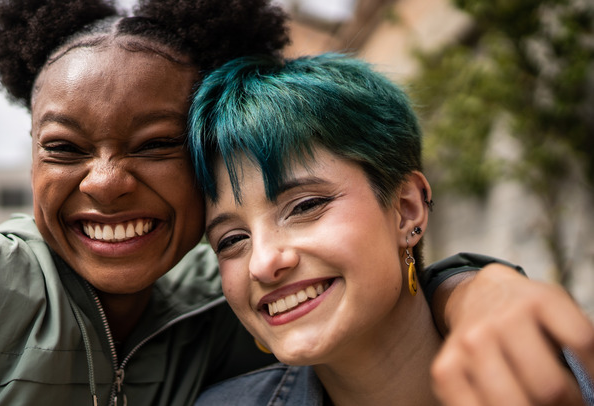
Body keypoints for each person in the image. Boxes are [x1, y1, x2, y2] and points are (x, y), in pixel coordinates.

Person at [0, 0, 591, 405]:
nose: (107, 180)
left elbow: (375, 293)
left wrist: (481, 286)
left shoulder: (223, 304)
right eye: (63, 148)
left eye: (154, 145)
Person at [188, 52, 594, 406]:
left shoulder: (573, 376)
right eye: (232, 240)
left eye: (305, 206)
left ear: (406, 209)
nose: (261, 263)